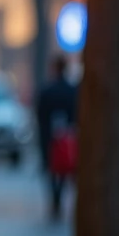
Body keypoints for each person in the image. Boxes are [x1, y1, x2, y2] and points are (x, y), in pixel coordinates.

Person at [36, 54, 77, 218]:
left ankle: (55, 201)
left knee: (53, 171)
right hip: (68, 137)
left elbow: (40, 116)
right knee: (66, 170)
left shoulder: (47, 91)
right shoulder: (72, 90)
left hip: (50, 139)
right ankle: (58, 200)